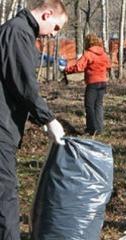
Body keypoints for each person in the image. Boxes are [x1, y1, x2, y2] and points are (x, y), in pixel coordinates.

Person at [0, 0, 67, 238]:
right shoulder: (18, 32)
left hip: (5, 126)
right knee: (5, 195)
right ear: (47, 14)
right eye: (56, 28)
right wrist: (48, 119)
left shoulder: (18, 32)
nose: (54, 35)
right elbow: (24, 84)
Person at [64, 33, 111, 135]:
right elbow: (108, 64)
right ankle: (99, 129)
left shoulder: (88, 54)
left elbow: (79, 67)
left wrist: (67, 70)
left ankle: (91, 129)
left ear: (87, 42)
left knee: (89, 106)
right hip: (103, 82)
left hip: (93, 83)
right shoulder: (103, 54)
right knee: (98, 105)